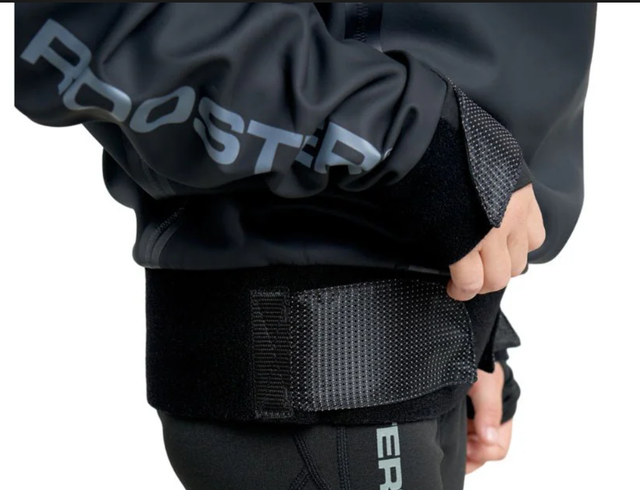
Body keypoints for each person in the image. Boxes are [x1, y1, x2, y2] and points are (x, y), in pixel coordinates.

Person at [14, 3, 597, 488]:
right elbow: (94, 16)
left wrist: (461, 326)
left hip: (413, 332)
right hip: (315, 362)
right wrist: (399, 134)